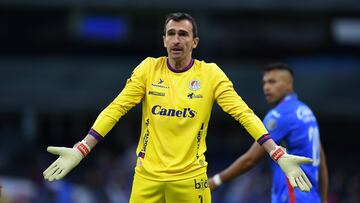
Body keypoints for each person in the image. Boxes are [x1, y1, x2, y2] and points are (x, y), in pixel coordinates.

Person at [43, 13, 313, 203]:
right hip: (146, 177)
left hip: (190, 180)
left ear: (194, 42)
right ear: (163, 40)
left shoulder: (210, 75)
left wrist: (277, 154)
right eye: (171, 34)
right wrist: (82, 148)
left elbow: (244, 114)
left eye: (183, 34)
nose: (176, 40)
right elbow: (116, 108)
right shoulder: (148, 69)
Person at [209, 63, 329, 203]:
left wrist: (216, 181)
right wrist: (324, 199)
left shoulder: (280, 115)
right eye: (264, 82)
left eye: (272, 82)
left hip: (292, 197)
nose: (266, 87)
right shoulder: (307, 112)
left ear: (288, 84)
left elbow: (250, 159)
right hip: (311, 197)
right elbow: (321, 159)